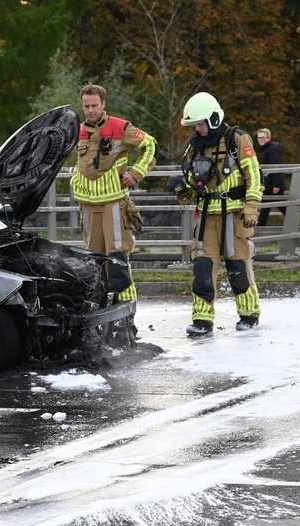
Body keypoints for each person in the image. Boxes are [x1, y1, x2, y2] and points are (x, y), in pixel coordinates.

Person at [169, 92, 262, 336]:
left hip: (235, 214)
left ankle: (249, 314)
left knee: (237, 266)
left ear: (213, 118)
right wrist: (182, 189)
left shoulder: (238, 139)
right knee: (202, 268)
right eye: (194, 125)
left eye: (200, 123)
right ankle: (202, 319)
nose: (197, 129)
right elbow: (192, 190)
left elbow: (254, 175)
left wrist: (251, 206)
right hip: (207, 215)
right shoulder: (194, 147)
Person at [70, 83, 157, 313]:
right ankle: (101, 319)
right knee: (94, 266)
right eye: (86, 106)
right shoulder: (77, 130)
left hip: (113, 205)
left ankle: (127, 319)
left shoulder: (120, 127)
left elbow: (150, 146)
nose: (90, 110)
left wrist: (136, 173)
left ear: (103, 104)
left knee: (117, 264)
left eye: (94, 105)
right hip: (88, 207)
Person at [256, 128, 286, 226]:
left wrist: (276, 185)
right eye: (258, 138)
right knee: (265, 207)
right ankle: (261, 227)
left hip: (273, 185)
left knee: (281, 206)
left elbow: (276, 166)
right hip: (269, 184)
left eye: (262, 137)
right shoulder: (266, 149)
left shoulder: (271, 150)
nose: (260, 139)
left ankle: (294, 222)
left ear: (268, 138)